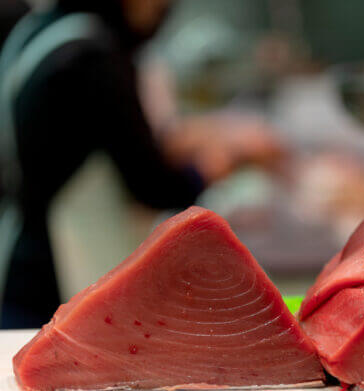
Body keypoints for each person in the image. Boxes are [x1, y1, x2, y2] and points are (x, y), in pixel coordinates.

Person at [0, 0, 283, 328]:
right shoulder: (91, 57)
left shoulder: (44, 30)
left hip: (22, 253)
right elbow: (152, 186)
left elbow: (83, 142)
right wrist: (224, 161)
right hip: (55, 272)